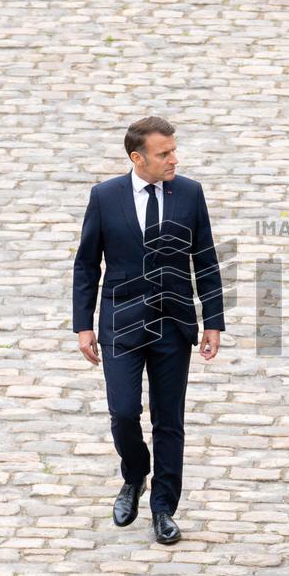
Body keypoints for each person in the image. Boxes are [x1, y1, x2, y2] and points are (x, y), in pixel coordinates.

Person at [72, 116, 225, 545]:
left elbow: (206, 259)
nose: (174, 158)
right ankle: (134, 475)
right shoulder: (105, 197)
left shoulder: (190, 193)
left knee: (169, 419)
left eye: (174, 150)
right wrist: (83, 324)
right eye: (164, 153)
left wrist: (213, 319)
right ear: (137, 158)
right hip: (120, 321)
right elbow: (87, 265)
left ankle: (163, 507)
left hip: (173, 324)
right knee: (123, 412)